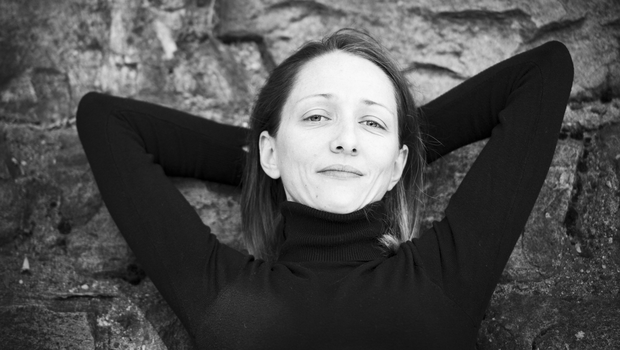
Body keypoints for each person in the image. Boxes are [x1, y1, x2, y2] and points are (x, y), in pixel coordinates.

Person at [76, 29, 573, 349]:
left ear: (401, 164)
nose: (346, 140)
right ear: (268, 152)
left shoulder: (448, 275)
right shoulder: (222, 295)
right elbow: (105, 120)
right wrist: (285, 155)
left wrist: (393, 145)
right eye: (317, 116)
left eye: (371, 124)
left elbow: (545, 71)